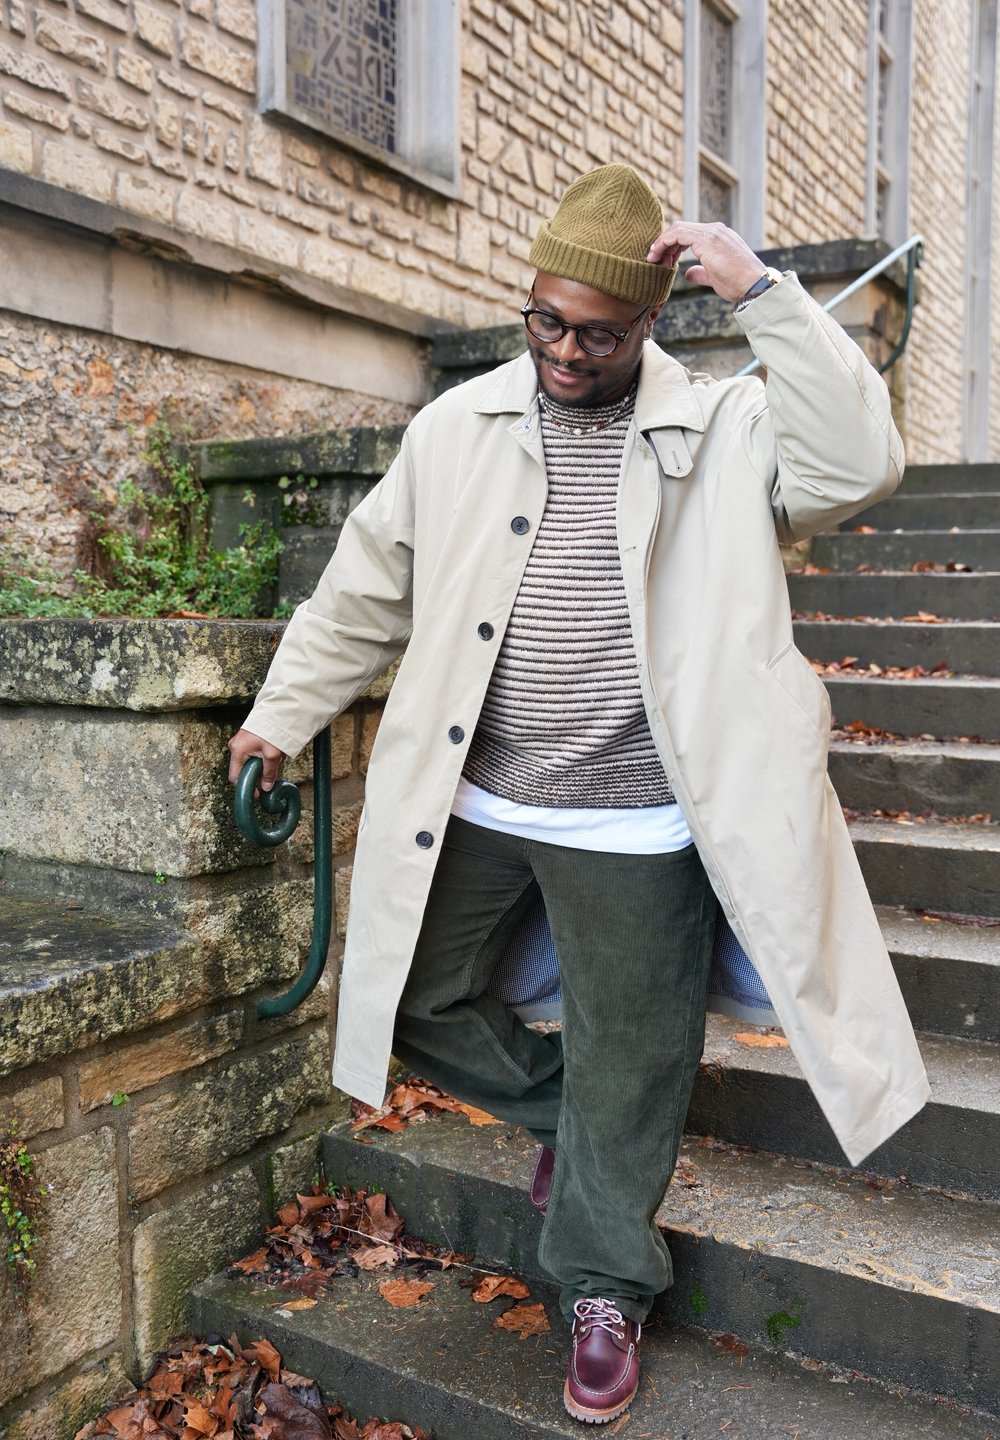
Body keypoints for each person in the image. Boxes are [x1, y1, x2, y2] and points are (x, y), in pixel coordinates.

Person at [228, 164, 929, 1425]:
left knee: (635, 1048)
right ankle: (587, 1131)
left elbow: (862, 459)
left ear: (649, 323)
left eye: (595, 333)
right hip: (486, 797)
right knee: (414, 999)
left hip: (642, 819)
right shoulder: (460, 428)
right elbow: (364, 588)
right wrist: (281, 715)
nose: (562, 350)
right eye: (543, 321)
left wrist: (765, 290)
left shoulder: (725, 424)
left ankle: (605, 1284)